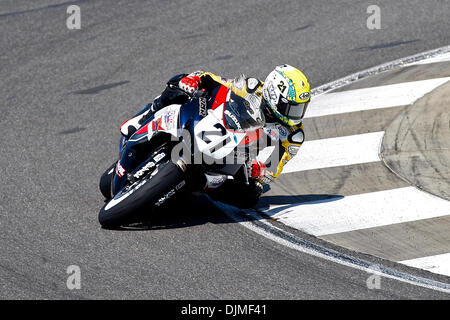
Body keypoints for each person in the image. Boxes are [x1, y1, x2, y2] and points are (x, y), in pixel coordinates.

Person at [119, 64, 311, 207]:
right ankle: (145, 117)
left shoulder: (293, 135)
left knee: (250, 197)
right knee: (180, 85)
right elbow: (218, 83)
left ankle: (200, 185)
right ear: (273, 95)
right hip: (216, 127)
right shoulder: (253, 88)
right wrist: (197, 79)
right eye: (291, 107)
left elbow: (273, 167)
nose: (295, 114)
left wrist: (259, 172)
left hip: (240, 156)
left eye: (300, 108)